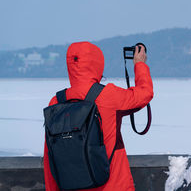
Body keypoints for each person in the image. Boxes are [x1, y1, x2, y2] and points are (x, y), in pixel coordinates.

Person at [43, 41, 154, 191]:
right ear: (97, 64)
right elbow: (144, 94)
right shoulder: (108, 95)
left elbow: (50, 156)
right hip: (113, 186)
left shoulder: (55, 102)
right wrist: (140, 64)